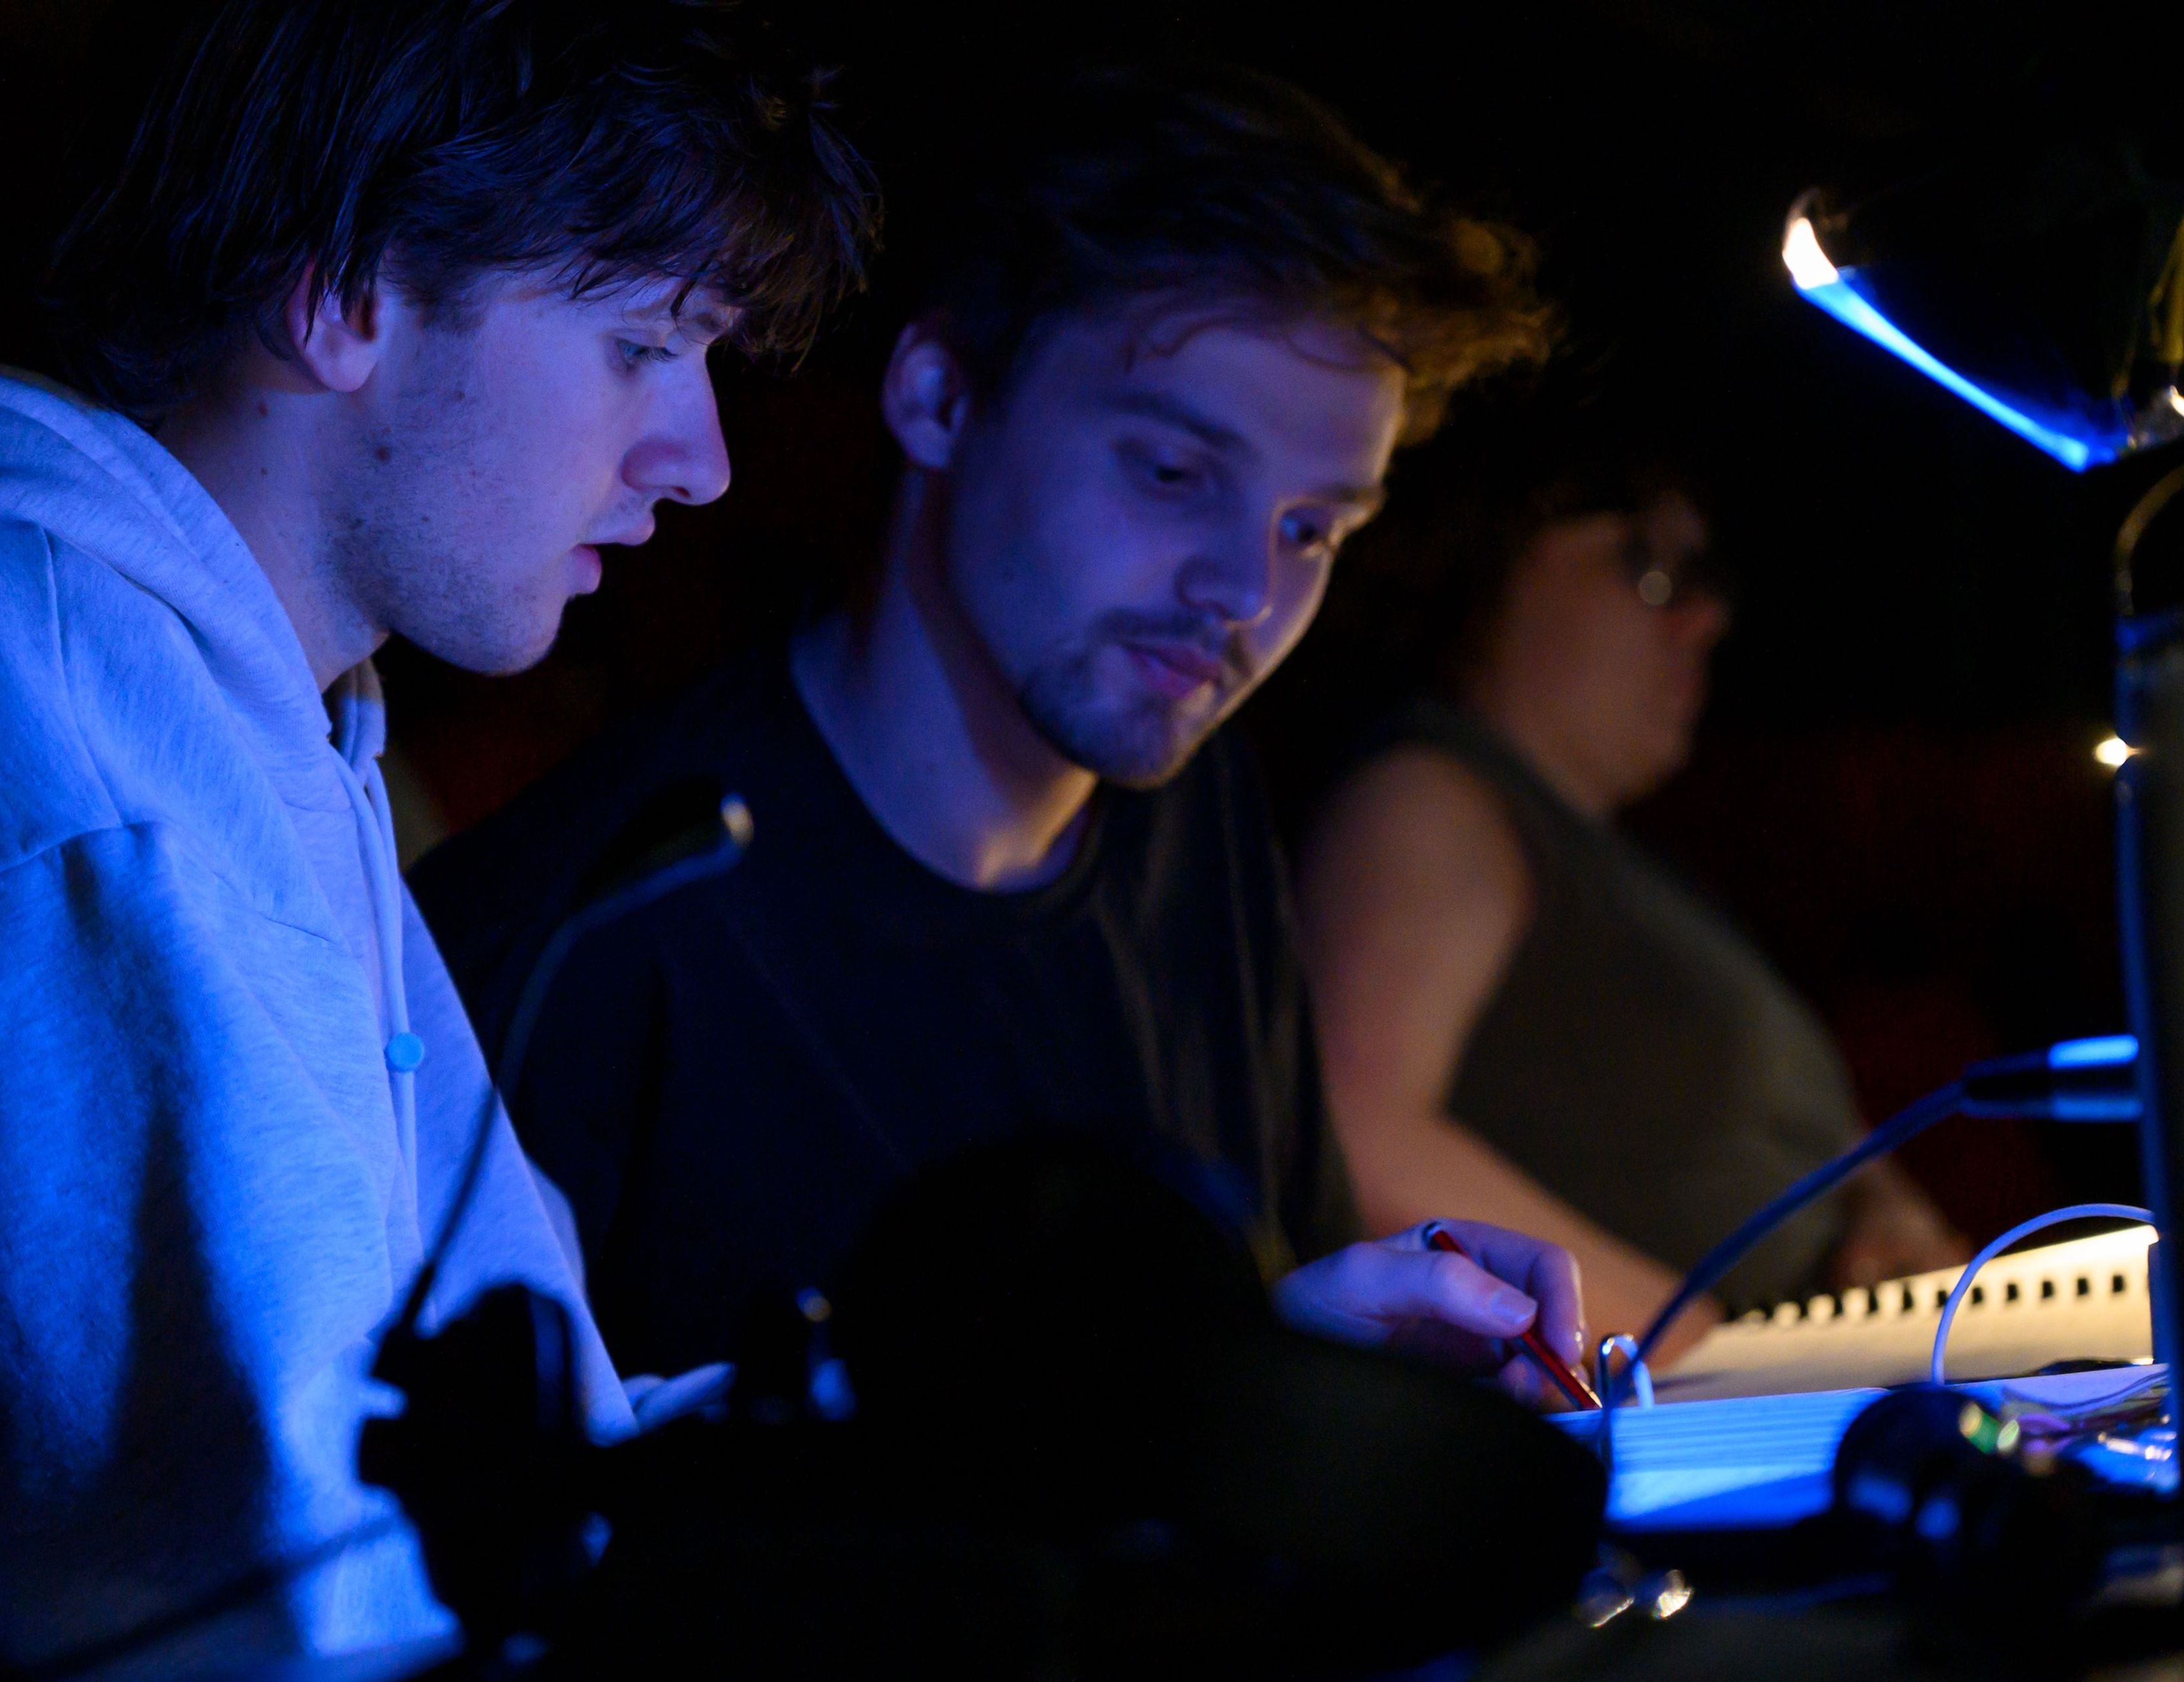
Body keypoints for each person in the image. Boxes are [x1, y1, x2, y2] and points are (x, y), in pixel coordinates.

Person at [0, 1, 871, 1671]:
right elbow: (269, 1606)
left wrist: (1121, 1413)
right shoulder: (36, 681)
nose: (703, 461)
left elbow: (530, 1483)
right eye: (642, 348)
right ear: (350, 288)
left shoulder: (278, 716)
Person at [413, 66, 1580, 1400]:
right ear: (938, 398)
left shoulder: (1194, 816)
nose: (1244, 592)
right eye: (1172, 471)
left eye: (1313, 528)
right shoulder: (577, 934)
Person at [1286, 421, 1967, 1358]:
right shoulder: (1436, 797)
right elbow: (1357, 1127)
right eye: (1653, 569)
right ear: (1495, 560)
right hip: (1722, 1423)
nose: (1706, 620)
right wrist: (1689, 1339)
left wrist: (1886, 1202)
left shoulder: (1631, 867)